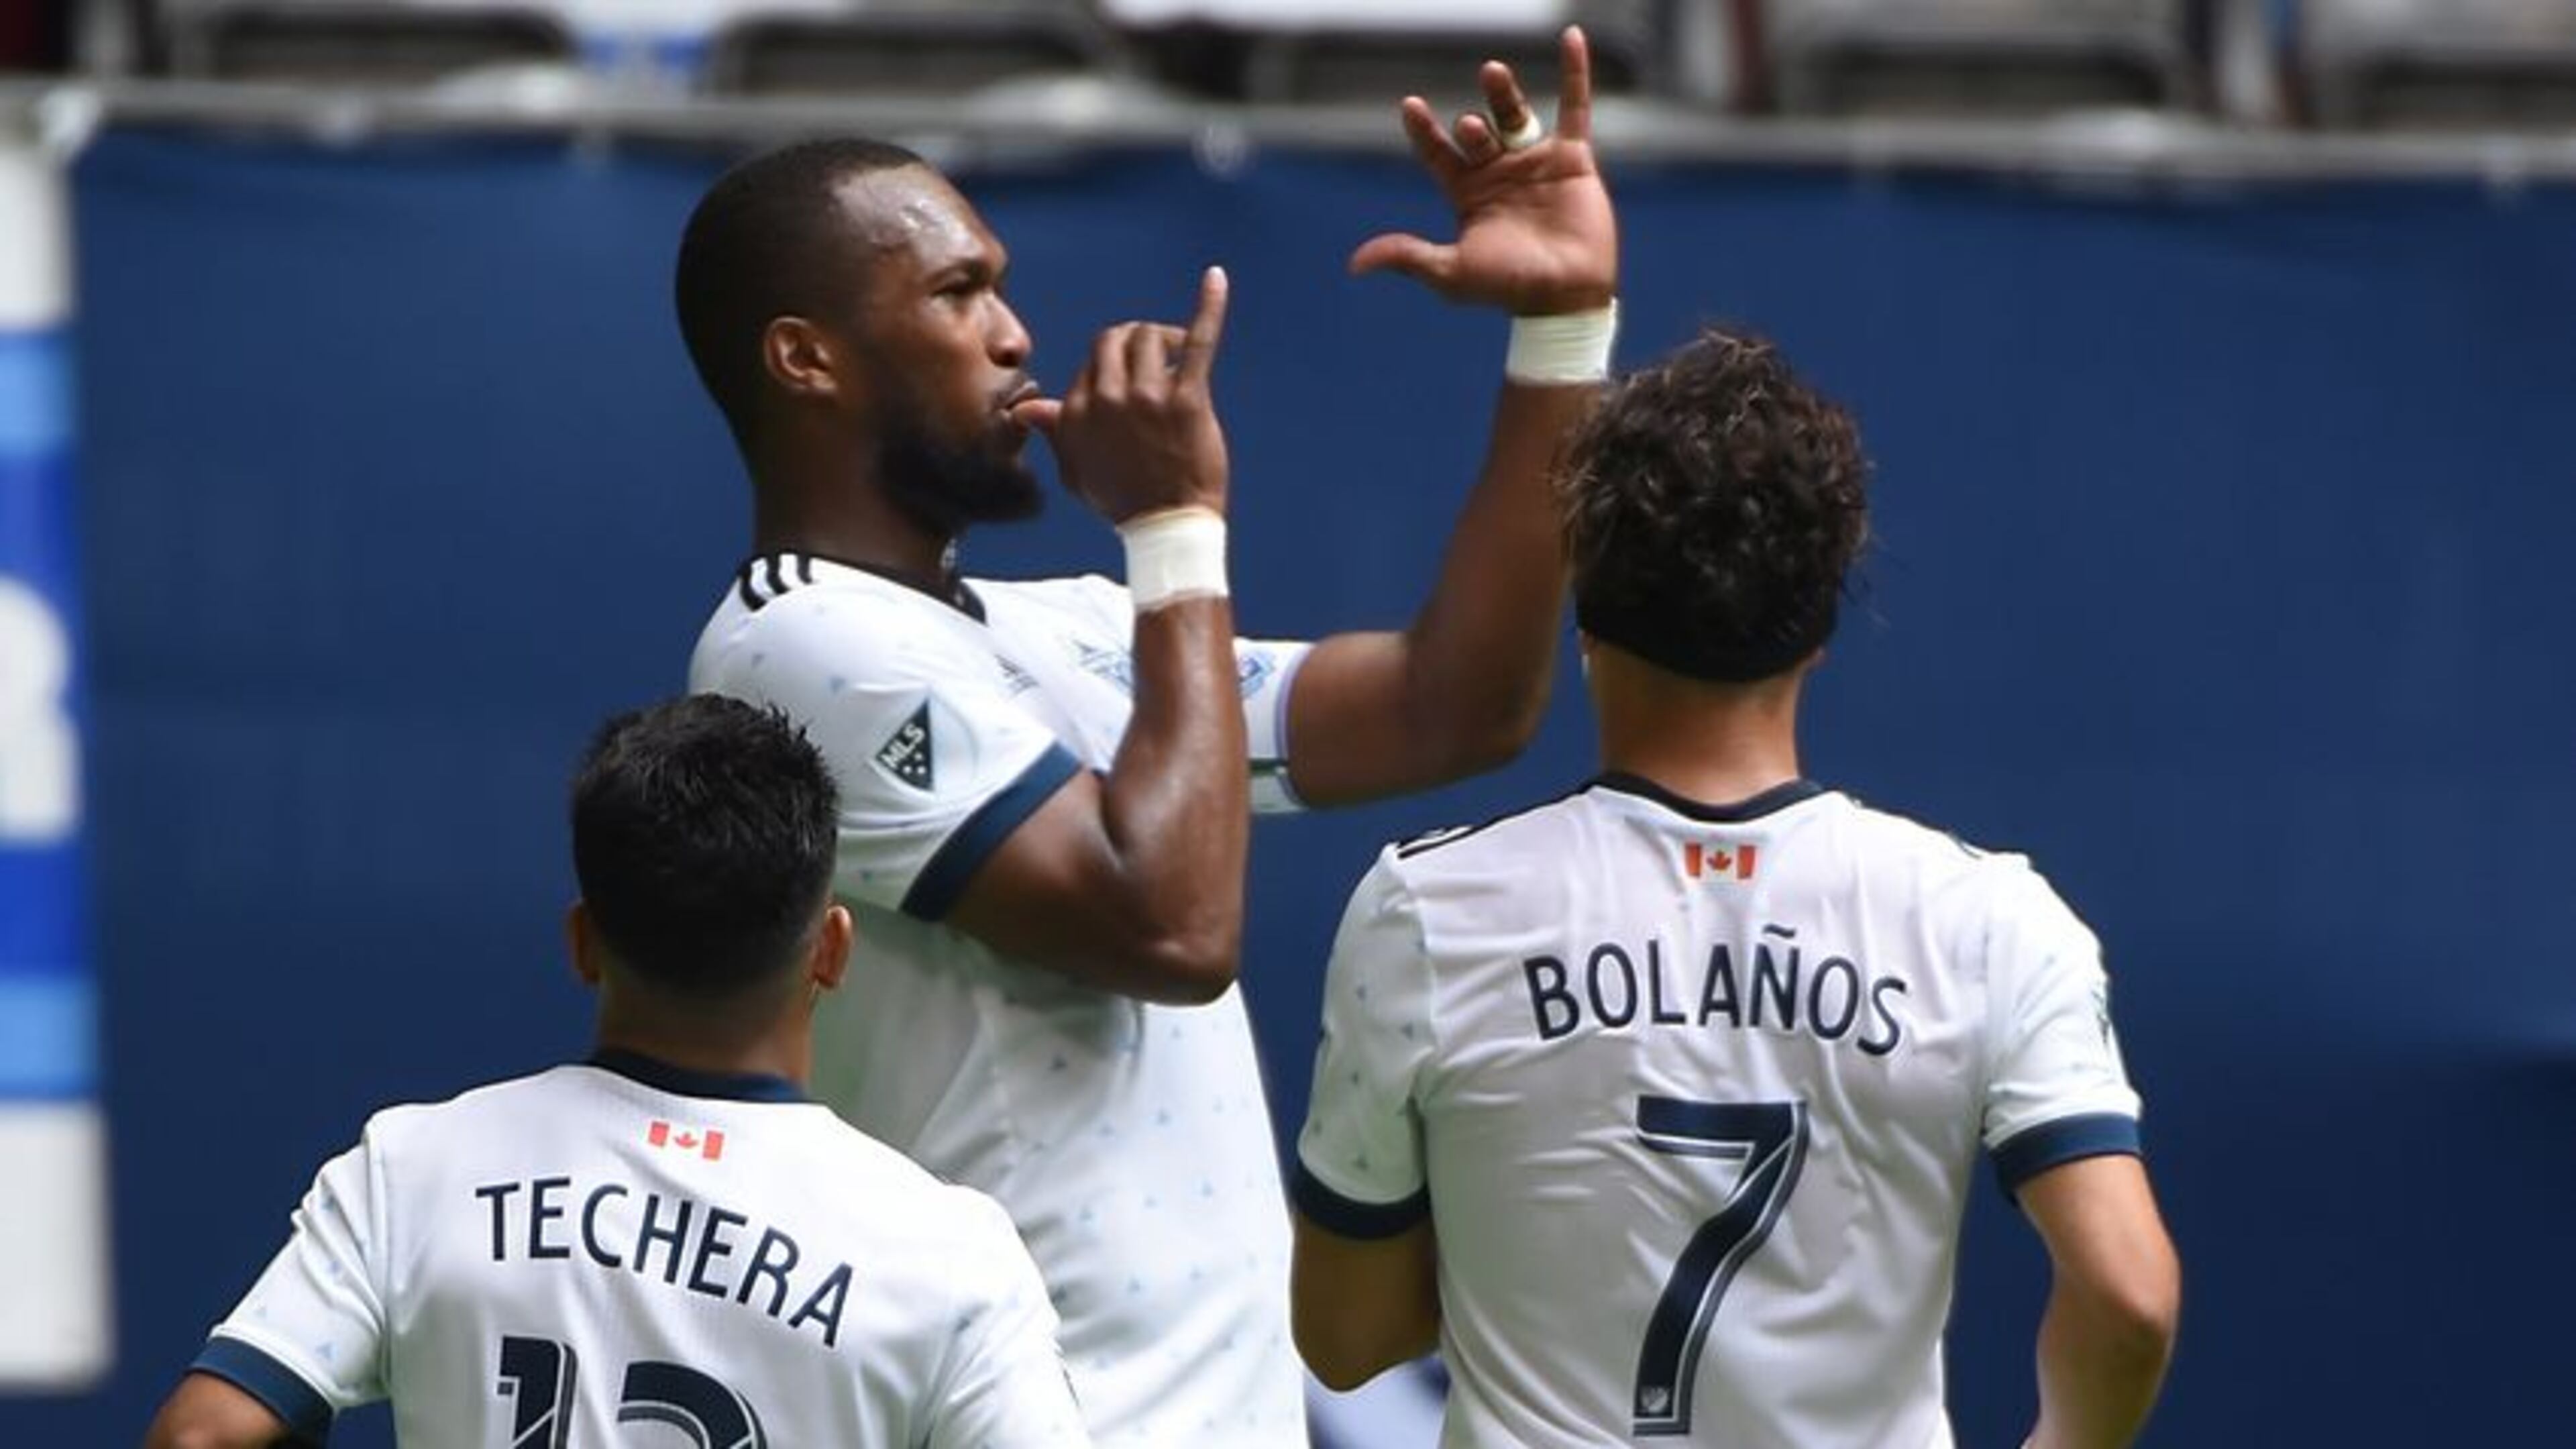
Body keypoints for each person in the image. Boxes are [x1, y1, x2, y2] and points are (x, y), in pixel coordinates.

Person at [675, 28, 1618, 1446]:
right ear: (807, 358)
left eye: (1004, 287)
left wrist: (1563, 333)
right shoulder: (791, 644)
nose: (1016, 334)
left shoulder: (1064, 626)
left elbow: (1459, 702)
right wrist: (1176, 533)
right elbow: (1173, 926)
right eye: (959, 293)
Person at [1289, 329, 2182, 1448]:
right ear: (1818, 632)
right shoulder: (1992, 920)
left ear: (1586, 618)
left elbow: (1347, 1339)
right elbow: (2130, 1297)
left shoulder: (1425, 910)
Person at [140, 696, 1090, 1449]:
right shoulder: (948, 1252)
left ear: (584, 942)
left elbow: (202, 1437)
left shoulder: (418, 1169)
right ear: (832, 951)